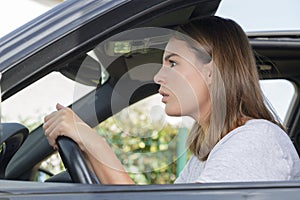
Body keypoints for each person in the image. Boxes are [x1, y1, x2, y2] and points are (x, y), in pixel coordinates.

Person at [43, 16, 300, 184]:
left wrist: (93, 142)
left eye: (173, 63)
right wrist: (89, 151)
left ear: (212, 71)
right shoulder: (208, 155)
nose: (157, 76)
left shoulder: (255, 142)